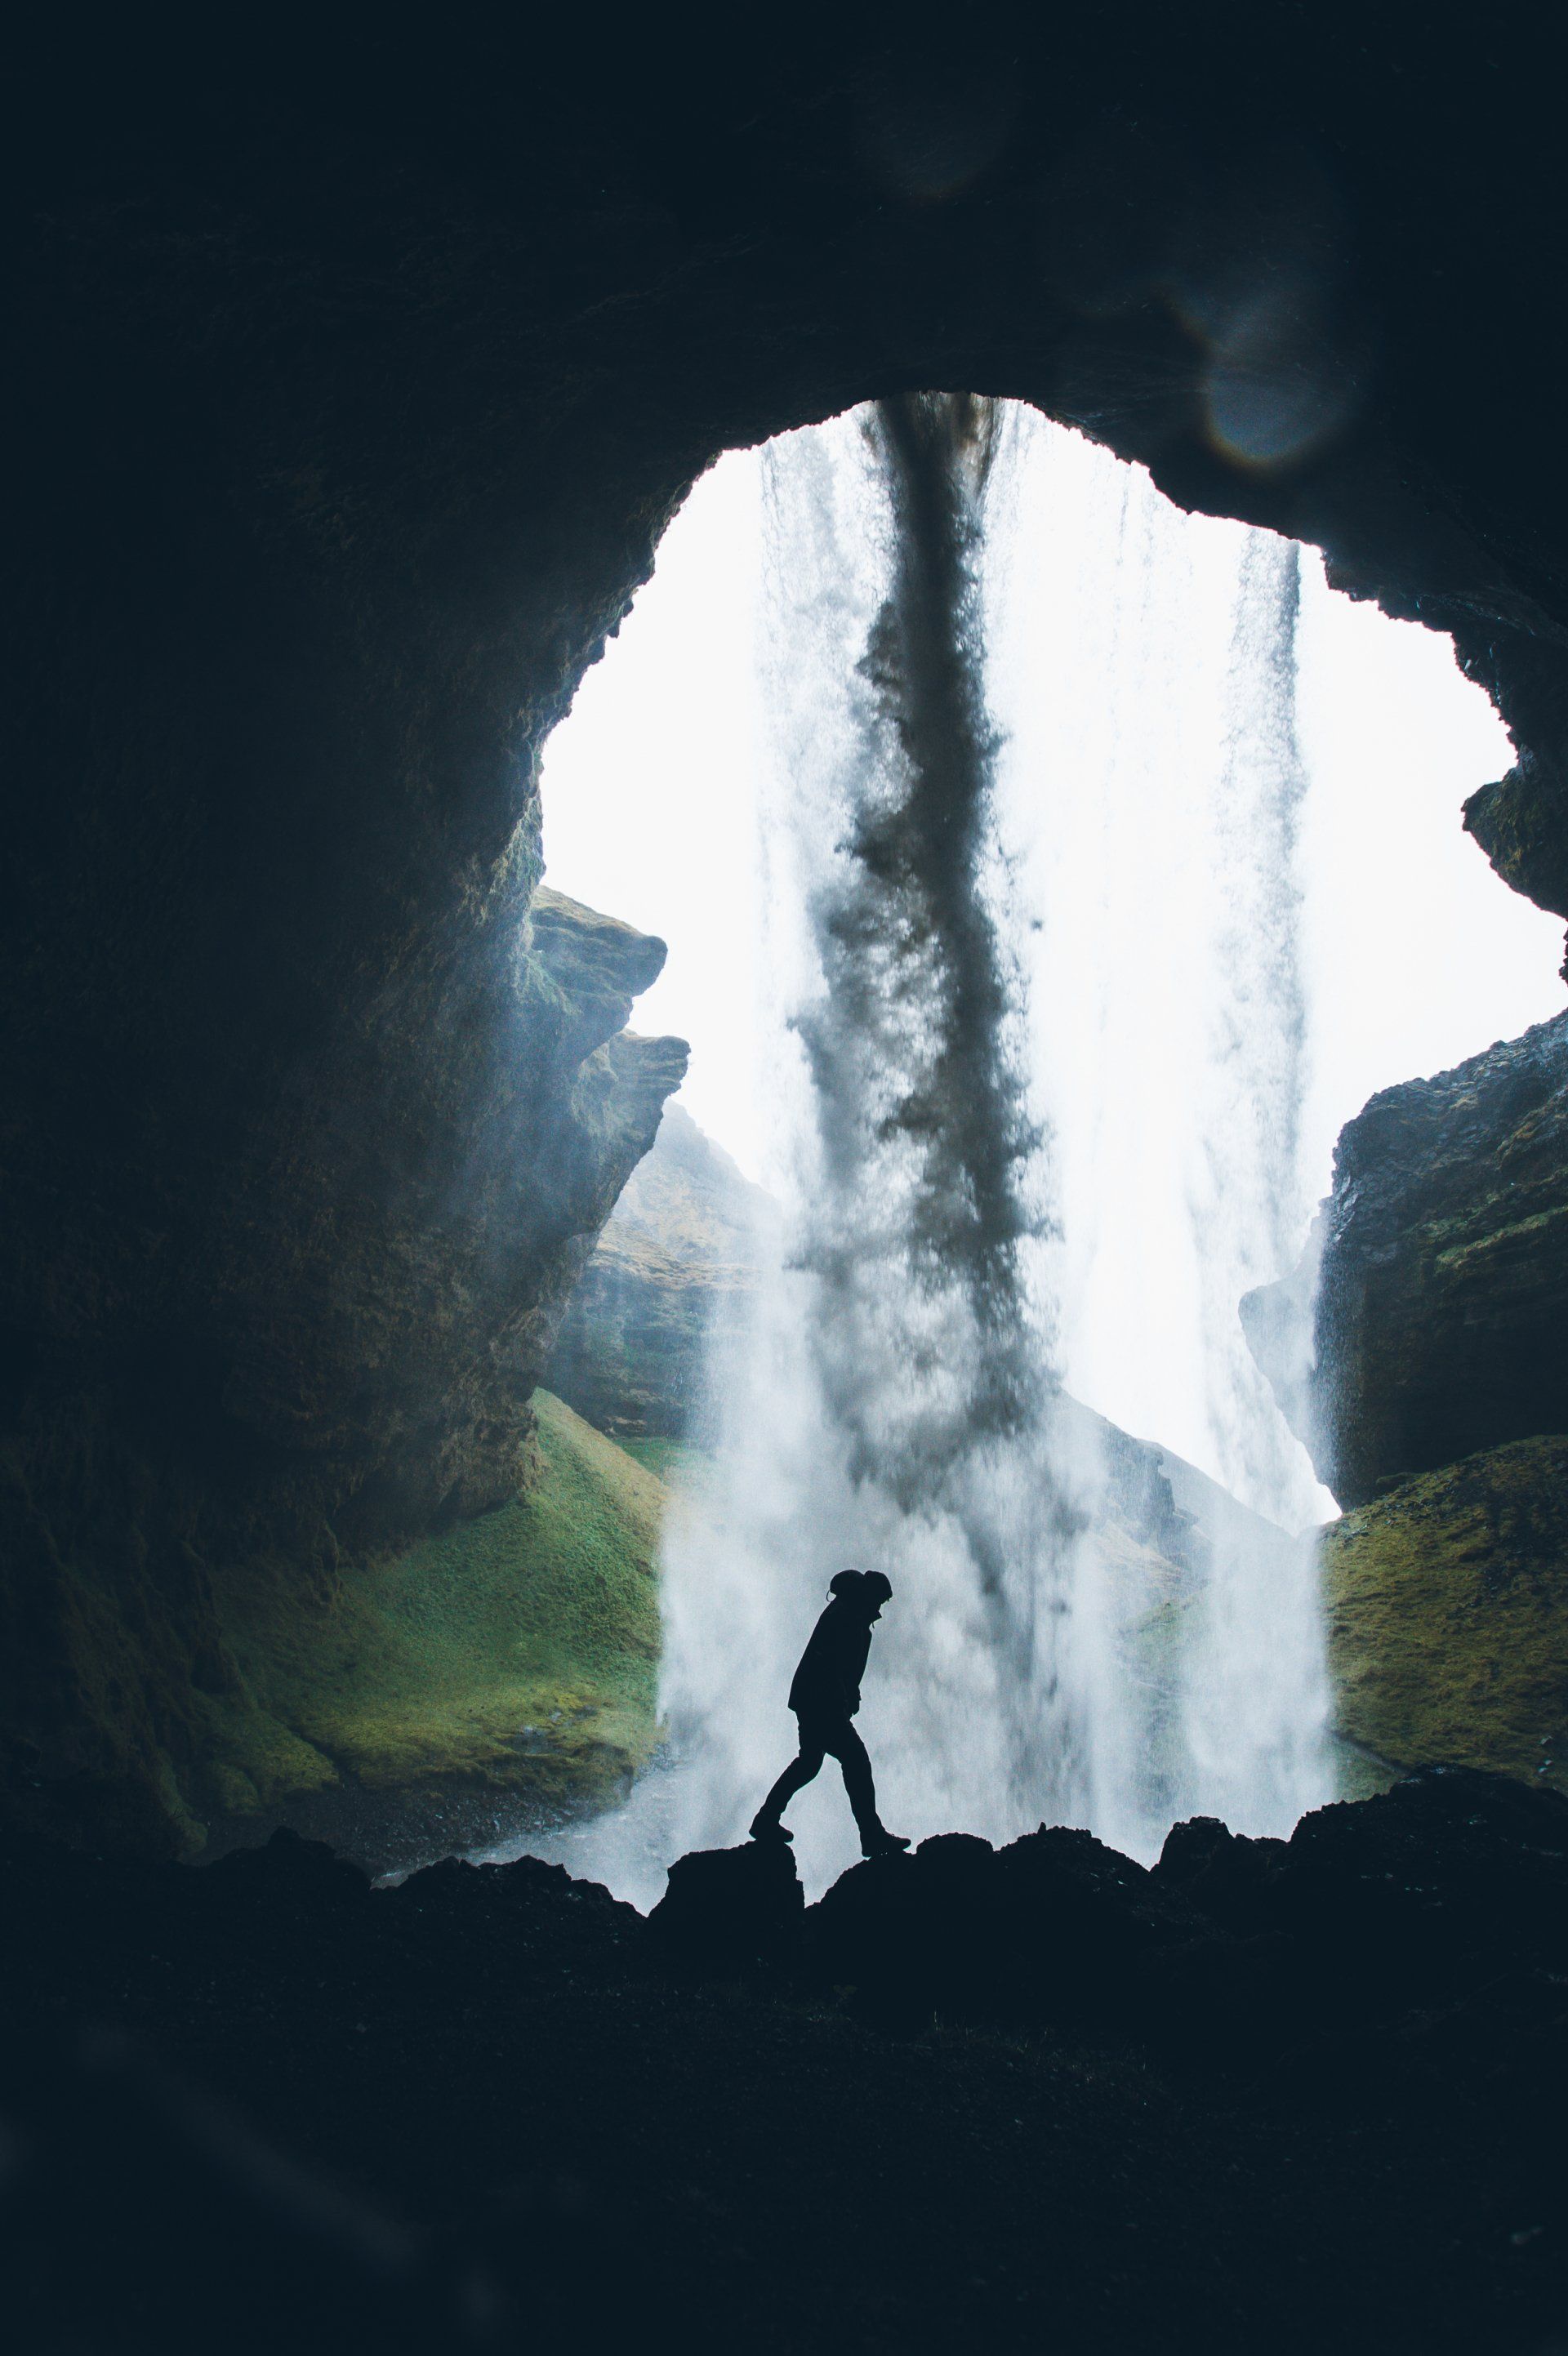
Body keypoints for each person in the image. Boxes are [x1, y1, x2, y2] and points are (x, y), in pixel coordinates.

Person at [749, 1569, 911, 1859]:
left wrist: (852, 1694)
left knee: (809, 1762)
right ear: (870, 1594)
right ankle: (871, 1835)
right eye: (881, 1601)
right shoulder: (848, 1615)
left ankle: (766, 1819)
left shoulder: (851, 1614)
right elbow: (831, 1663)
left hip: (813, 1700)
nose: (880, 1609)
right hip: (821, 1703)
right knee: (856, 1760)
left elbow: (842, 1664)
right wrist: (843, 1698)